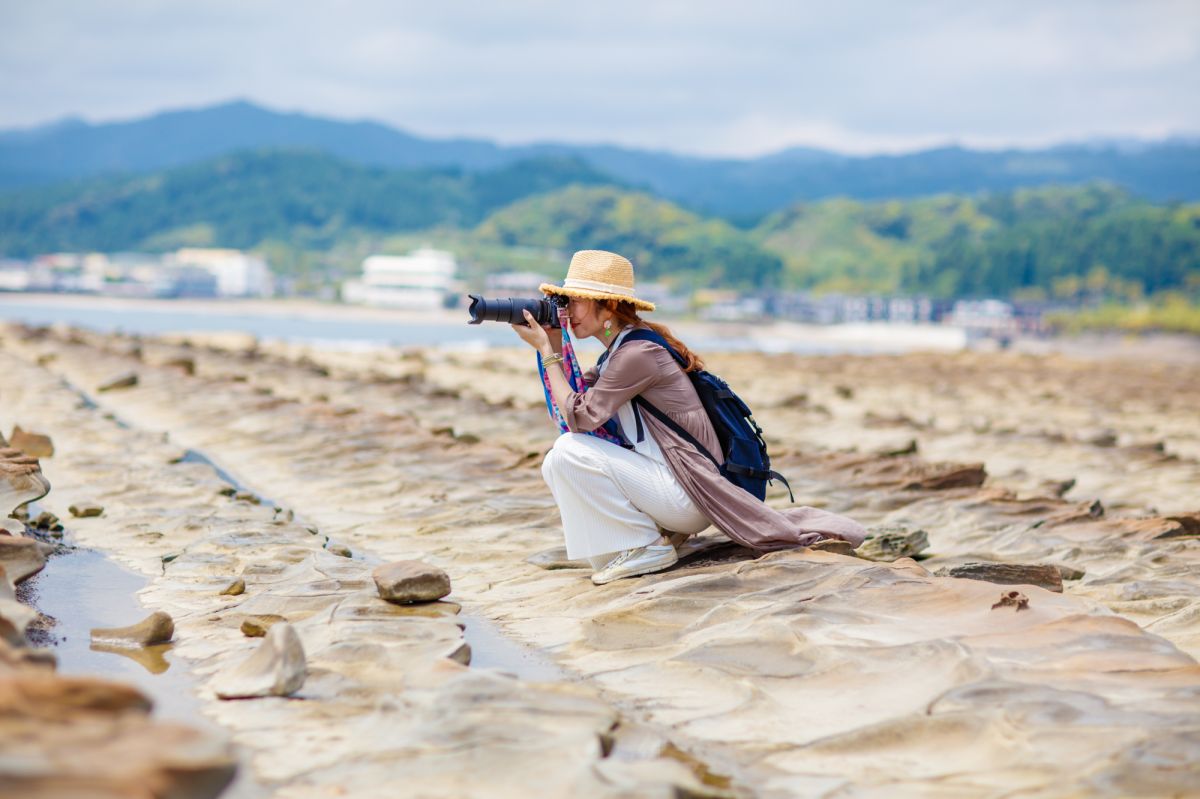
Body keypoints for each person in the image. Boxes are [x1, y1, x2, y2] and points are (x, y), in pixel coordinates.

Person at [513, 249, 866, 585]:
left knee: (568, 450)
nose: (566, 310)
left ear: (607, 306)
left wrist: (547, 352)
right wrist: (555, 343)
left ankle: (647, 547)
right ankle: (644, 541)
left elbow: (580, 418)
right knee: (556, 461)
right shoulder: (621, 352)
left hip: (690, 495)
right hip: (676, 489)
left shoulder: (638, 354)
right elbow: (569, 404)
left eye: (573, 300)